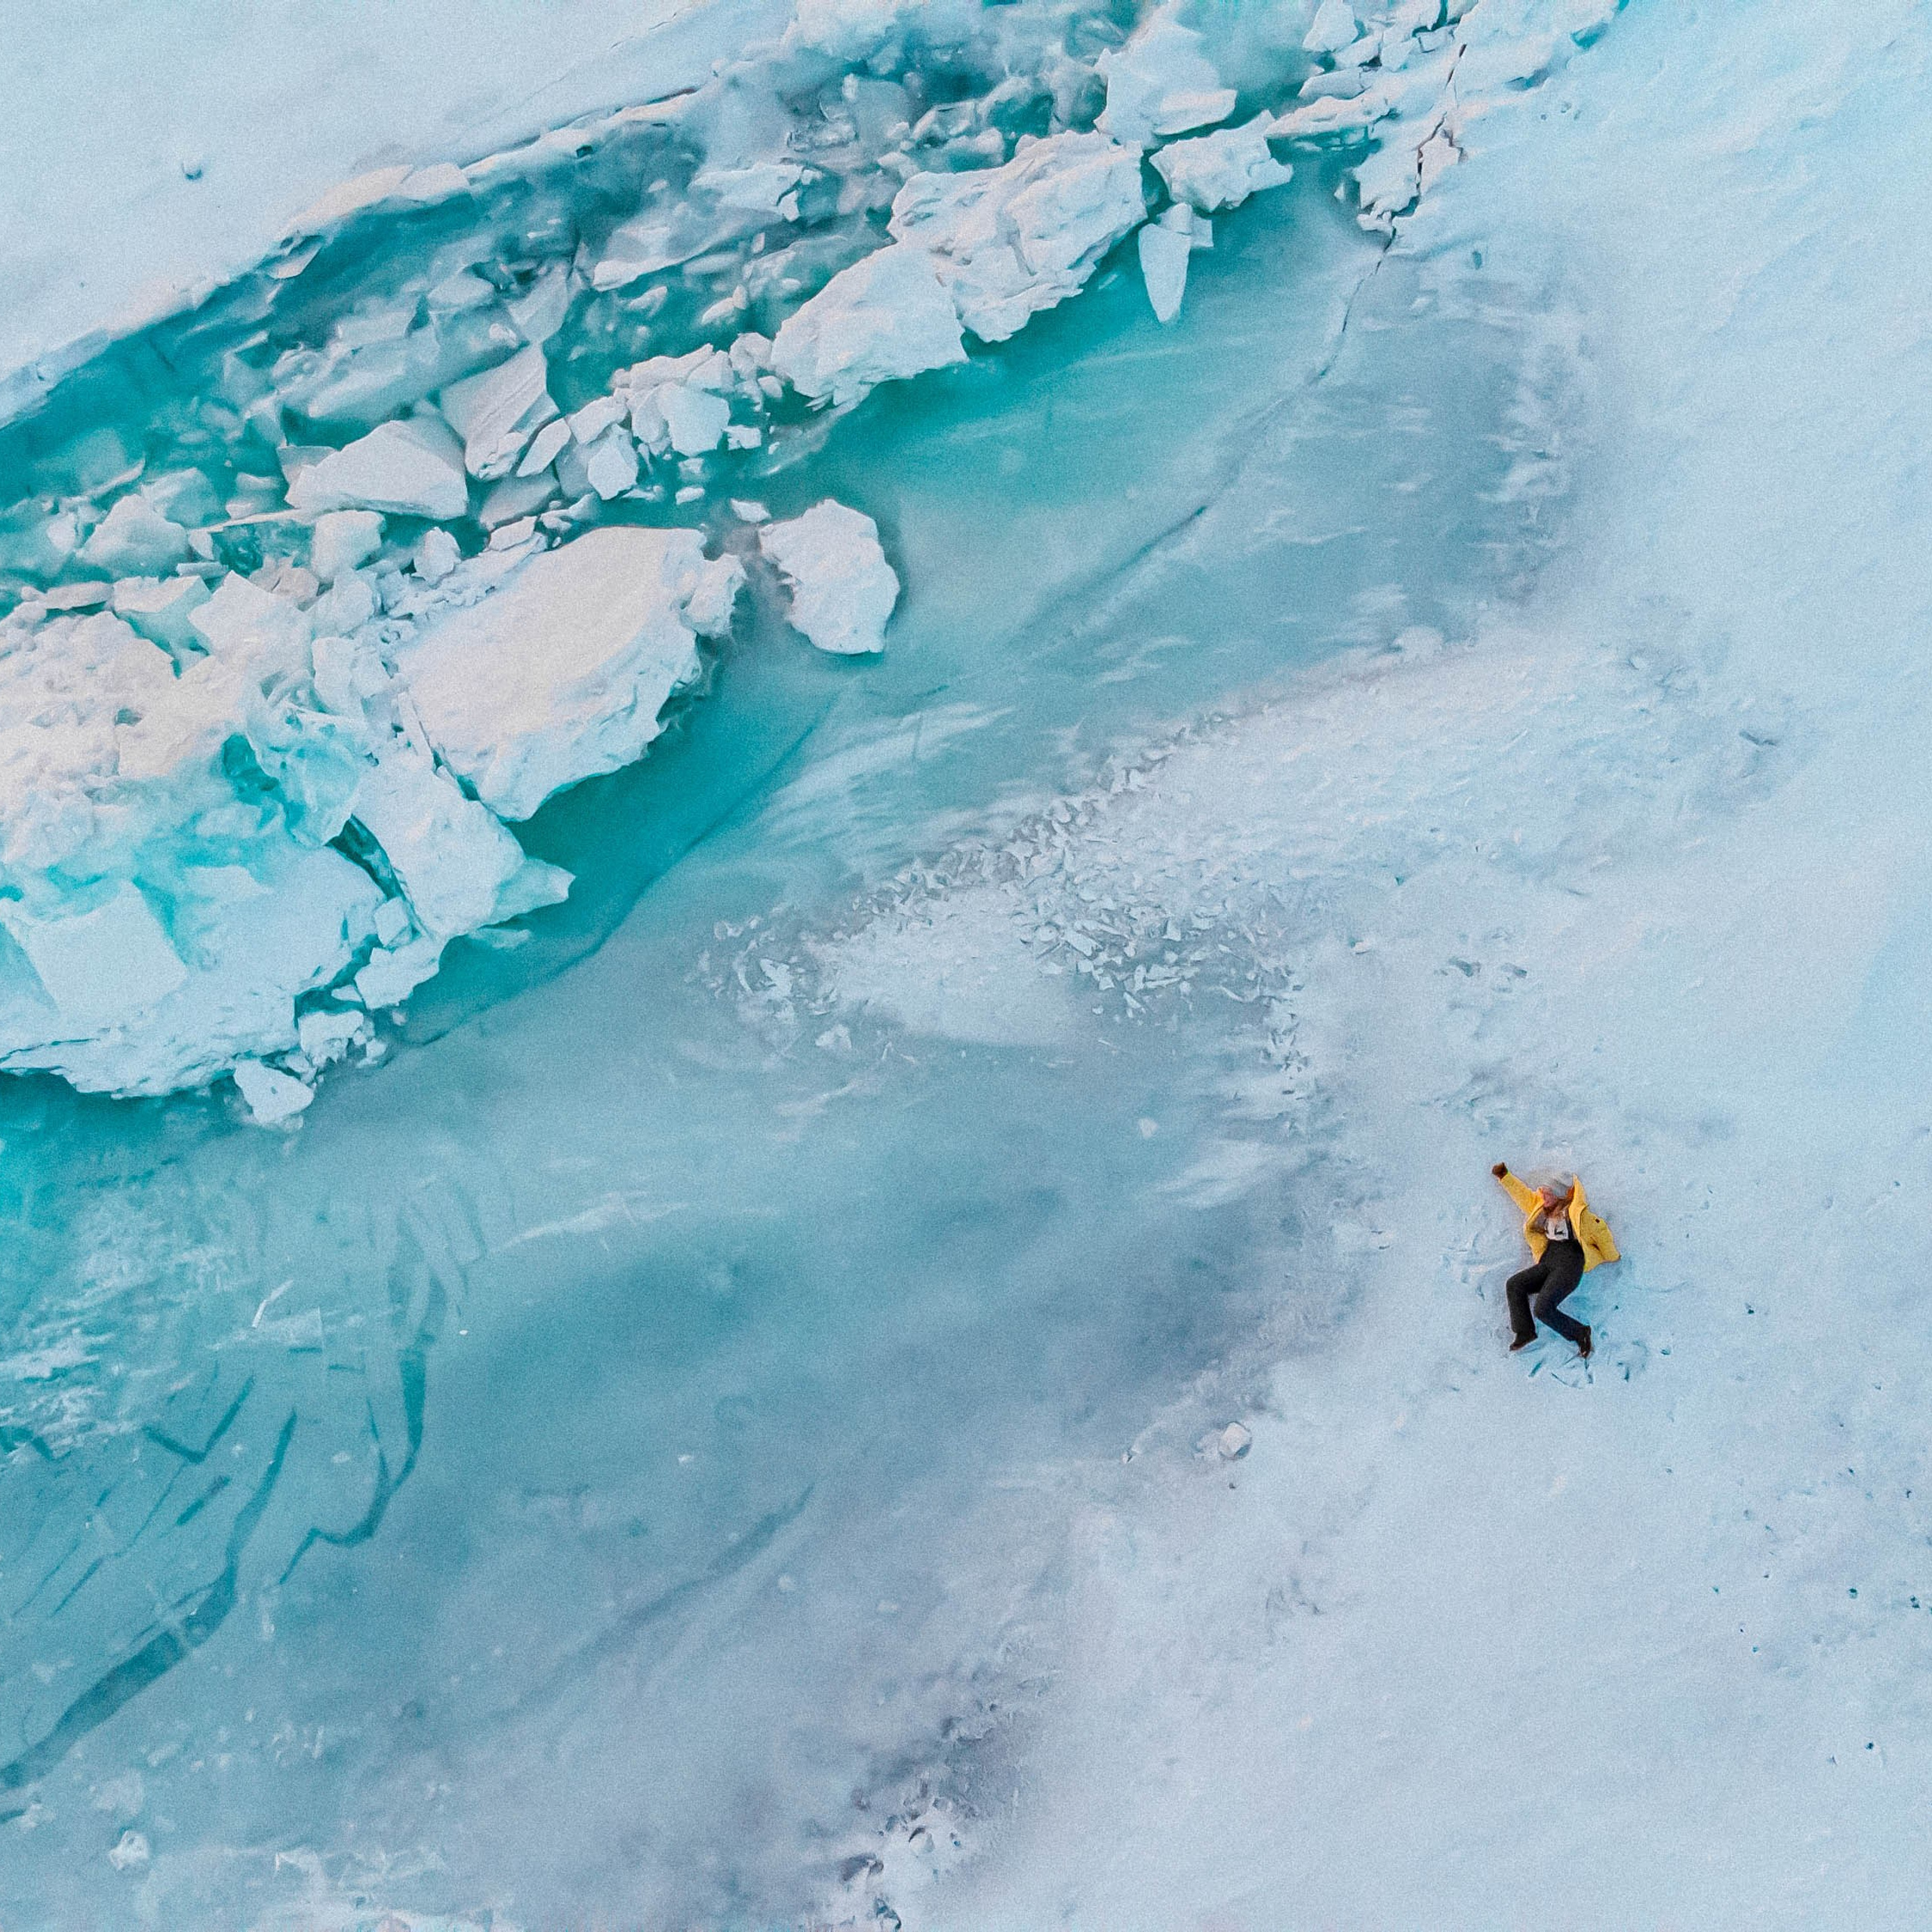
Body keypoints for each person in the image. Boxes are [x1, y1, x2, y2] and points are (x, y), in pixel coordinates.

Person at [1490, 1162, 1620, 1358]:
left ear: (1561, 1195)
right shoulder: (1541, 1209)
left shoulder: (1578, 1215)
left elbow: (1601, 1233)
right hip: (1548, 1261)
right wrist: (1505, 1176)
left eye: (1548, 1192)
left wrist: (1612, 1255)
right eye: (1542, 1193)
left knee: (1543, 1308)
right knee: (1515, 1285)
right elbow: (1522, 1195)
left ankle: (1580, 1332)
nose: (1543, 1196)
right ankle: (1525, 1332)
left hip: (1570, 1264)